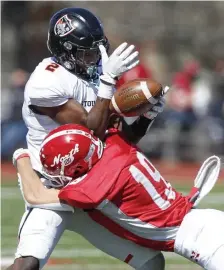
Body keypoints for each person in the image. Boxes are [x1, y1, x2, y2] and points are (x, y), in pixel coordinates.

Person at [9, 7, 166, 270]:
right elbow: (89, 129)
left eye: (97, 49)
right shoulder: (45, 81)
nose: (96, 57)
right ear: (66, 52)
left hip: (93, 187)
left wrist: (146, 117)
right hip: (52, 189)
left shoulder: (98, 71)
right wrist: (107, 81)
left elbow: (119, 136)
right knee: (27, 265)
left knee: (152, 262)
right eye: (87, 52)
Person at [14, 123, 223, 270]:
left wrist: (21, 156)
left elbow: (35, 195)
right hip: (205, 222)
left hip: (204, 241)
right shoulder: (115, 141)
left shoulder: (93, 188)